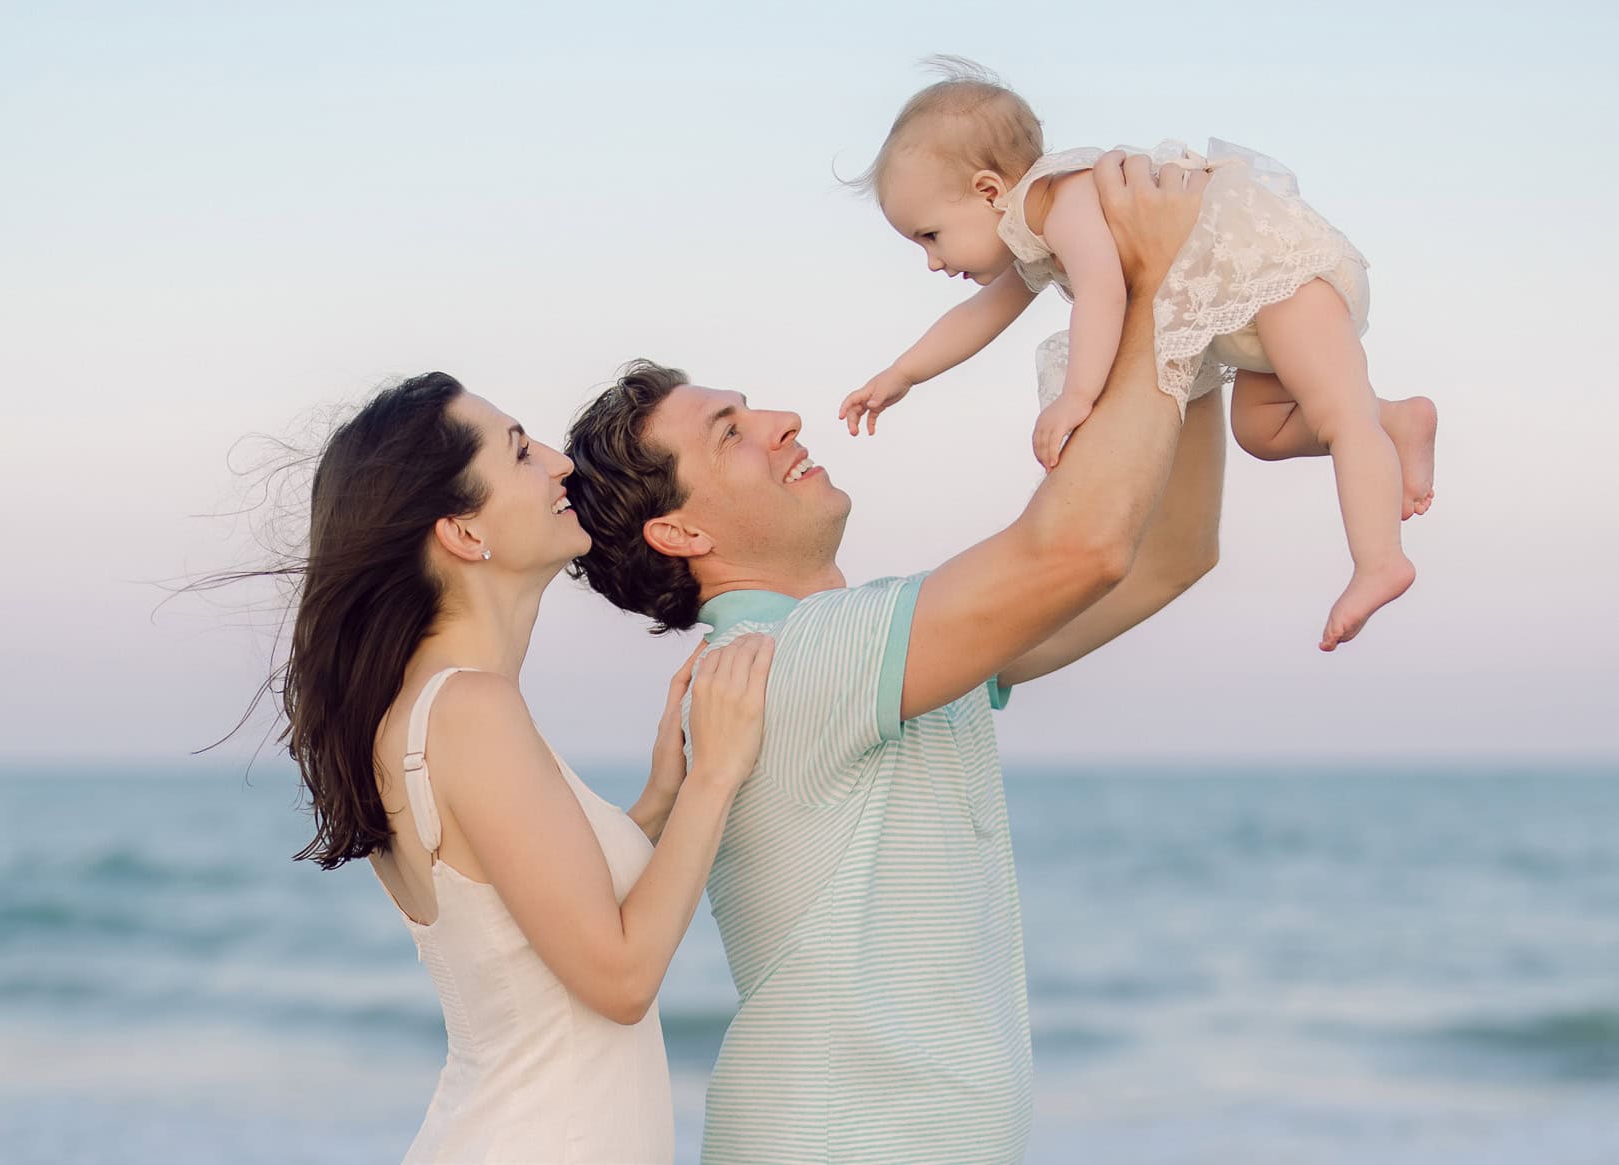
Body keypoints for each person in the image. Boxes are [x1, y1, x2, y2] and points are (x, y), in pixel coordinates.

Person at [564, 151, 1224, 1163]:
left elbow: (1162, 558)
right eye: (731, 432)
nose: (783, 421)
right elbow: (1080, 546)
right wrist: (1156, 291)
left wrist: (1192, 328)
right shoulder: (791, 660)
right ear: (681, 533)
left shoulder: (860, 648)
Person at [273, 372, 773, 1162]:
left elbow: (542, 915)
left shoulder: (424, 711)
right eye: (520, 452)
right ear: (465, 533)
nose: (560, 463)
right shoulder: (471, 710)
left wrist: (660, 798)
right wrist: (717, 771)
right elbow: (619, 978)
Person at [837, 57, 1437, 651]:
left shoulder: (1068, 199)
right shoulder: (1032, 235)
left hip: (1276, 278)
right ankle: (1398, 420)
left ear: (989, 190)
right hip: (1236, 315)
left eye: (930, 236)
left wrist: (1077, 396)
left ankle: (1380, 561)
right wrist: (902, 373)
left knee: (1339, 417)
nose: (933, 262)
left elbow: (1104, 291)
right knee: (1263, 432)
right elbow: (980, 316)